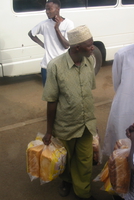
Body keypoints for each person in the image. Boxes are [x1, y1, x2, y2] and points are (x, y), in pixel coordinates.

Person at [42, 25, 97, 200]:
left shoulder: (90, 60)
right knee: (66, 159)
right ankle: (66, 181)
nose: (92, 47)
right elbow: (52, 101)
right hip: (65, 124)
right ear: (76, 48)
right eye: (89, 45)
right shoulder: (55, 66)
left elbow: (89, 90)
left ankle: (83, 192)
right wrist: (49, 131)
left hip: (86, 123)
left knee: (84, 161)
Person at [103, 21, 134, 156]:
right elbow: (117, 82)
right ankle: (115, 170)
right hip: (124, 107)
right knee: (119, 137)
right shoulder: (122, 54)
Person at [28, 0, 74, 86]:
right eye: (46, 9)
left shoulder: (68, 24)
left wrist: (57, 29)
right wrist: (43, 45)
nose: (47, 12)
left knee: (63, 94)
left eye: (49, 9)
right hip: (47, 66)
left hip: (63, 66)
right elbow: (31, 34)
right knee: (49, 96)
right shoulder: (44, 24)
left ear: (58, 9)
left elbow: (66, 45)